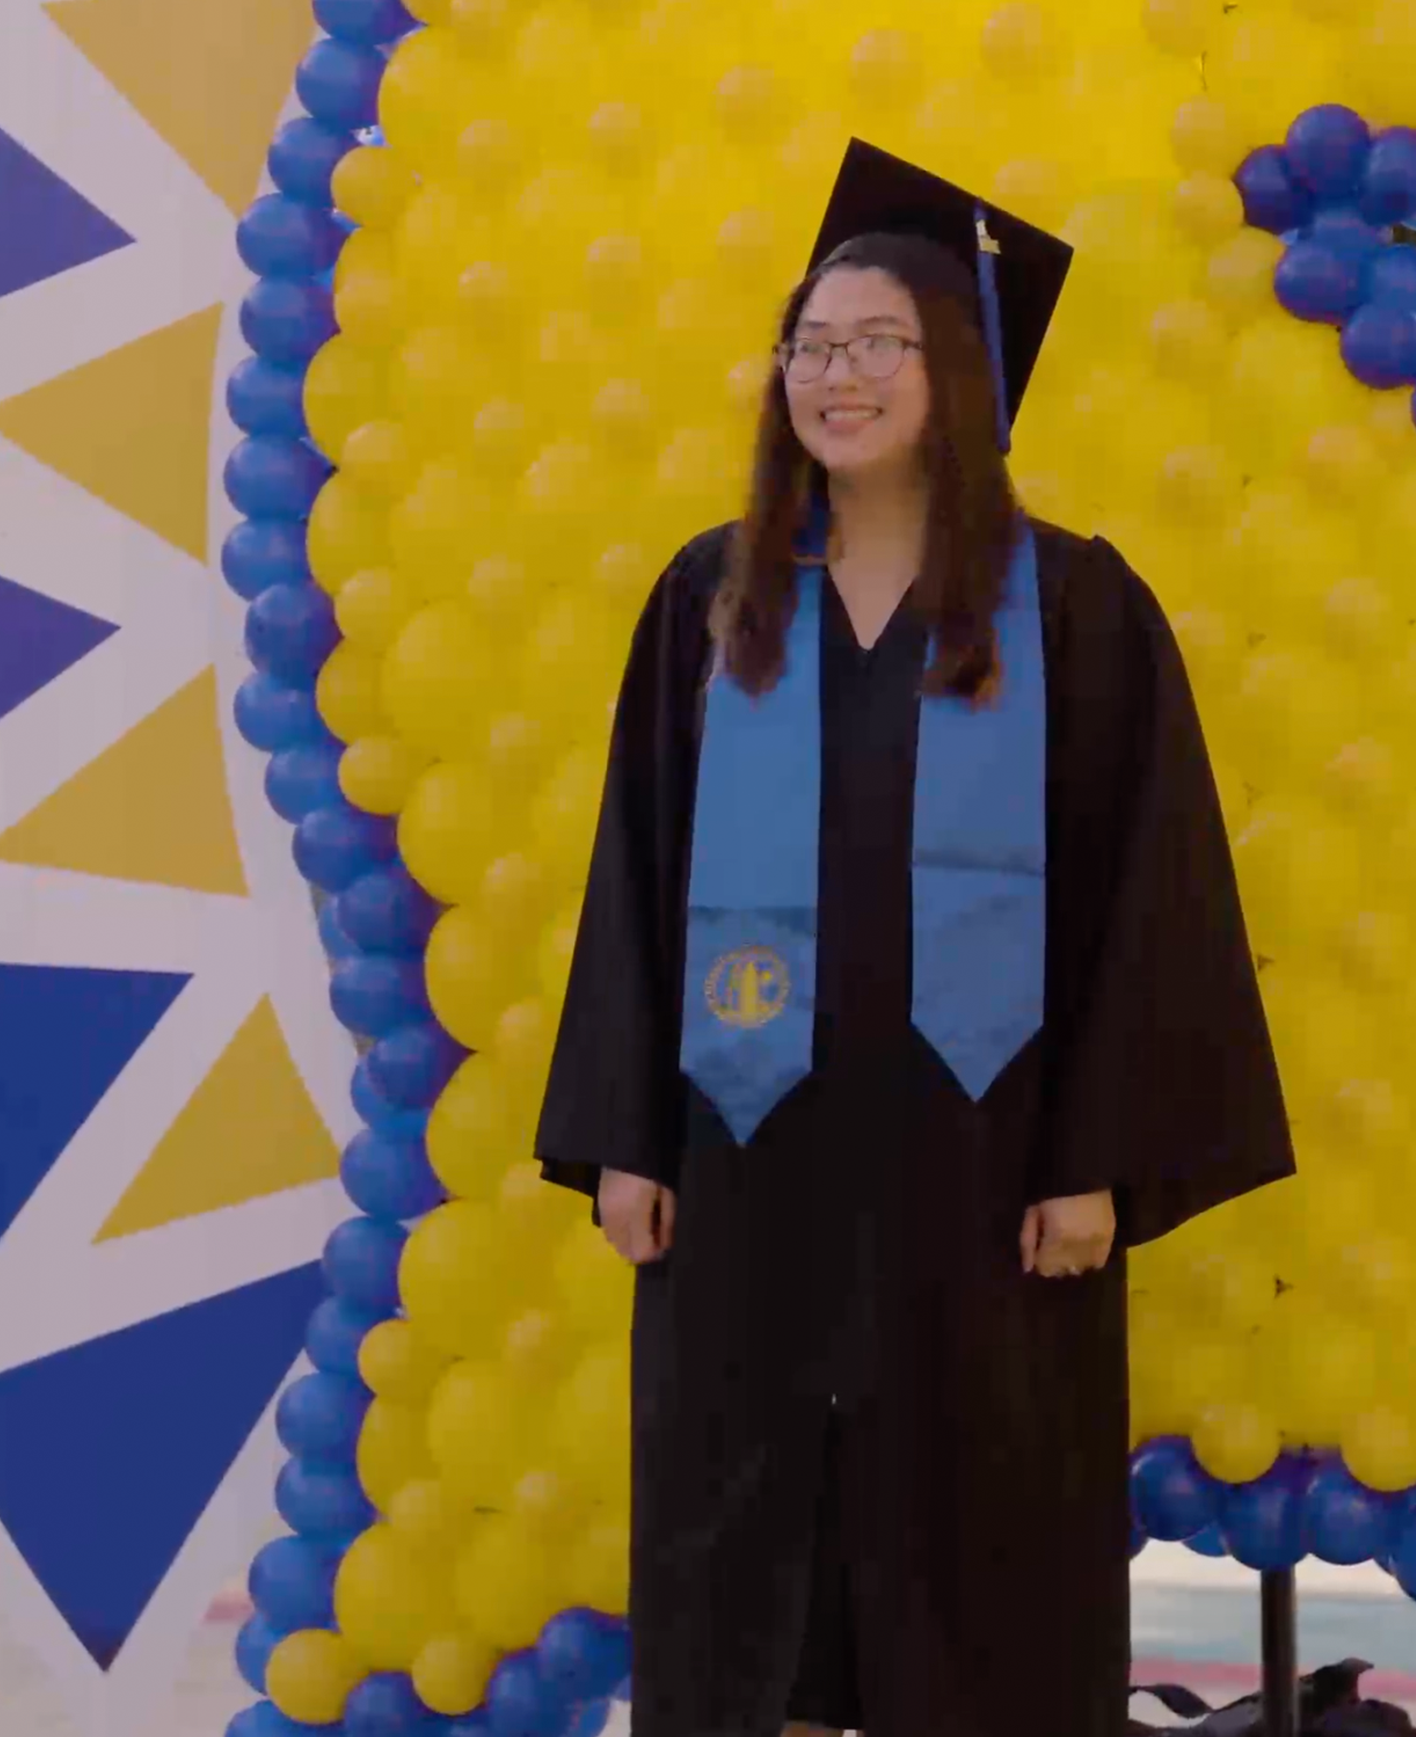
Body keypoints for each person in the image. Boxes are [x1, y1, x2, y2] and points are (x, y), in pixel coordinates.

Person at [535, 139, 1294, 1737]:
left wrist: (1100, 1155)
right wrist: (626, 1131)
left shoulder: (1076, 607)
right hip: (751, 1173)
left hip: (986, 1182)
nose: (839, 375)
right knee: (756, 1569)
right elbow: (638, 865)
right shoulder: (713, 603)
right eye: (812, 346)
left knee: (983, 1568)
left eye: (880, 344)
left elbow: (1145, 898)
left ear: (964, 376)